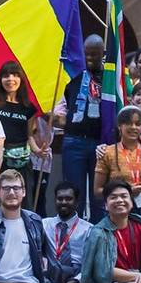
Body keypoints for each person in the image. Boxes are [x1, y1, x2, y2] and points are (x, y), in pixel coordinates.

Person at [55, 44, 107, 218]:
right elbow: (65, 110)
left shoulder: (111, 78)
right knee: (72, 193)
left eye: (95, 54)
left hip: (100, 143)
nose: (91, 58)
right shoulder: (73, 76)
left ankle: (98, 237)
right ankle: (73, 237)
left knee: (99, 196)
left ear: (103, 54)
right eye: (88, 54)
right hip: (74, 141)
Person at [0, 61, 41, 205]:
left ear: (21, 79)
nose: (10, 79)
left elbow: (29, 136)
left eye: (15, 75)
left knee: (23, 201)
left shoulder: (28, 107)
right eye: (5, 76)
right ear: (0, 79)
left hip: (21, 162)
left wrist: (38, 150)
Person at [94, 105, 141, 217]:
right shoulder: (107, 152)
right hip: (117, 205)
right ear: (119, 126)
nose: (133, 127)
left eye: (137, 124)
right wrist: (126, 190)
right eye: (128, 123)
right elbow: (97, 191)